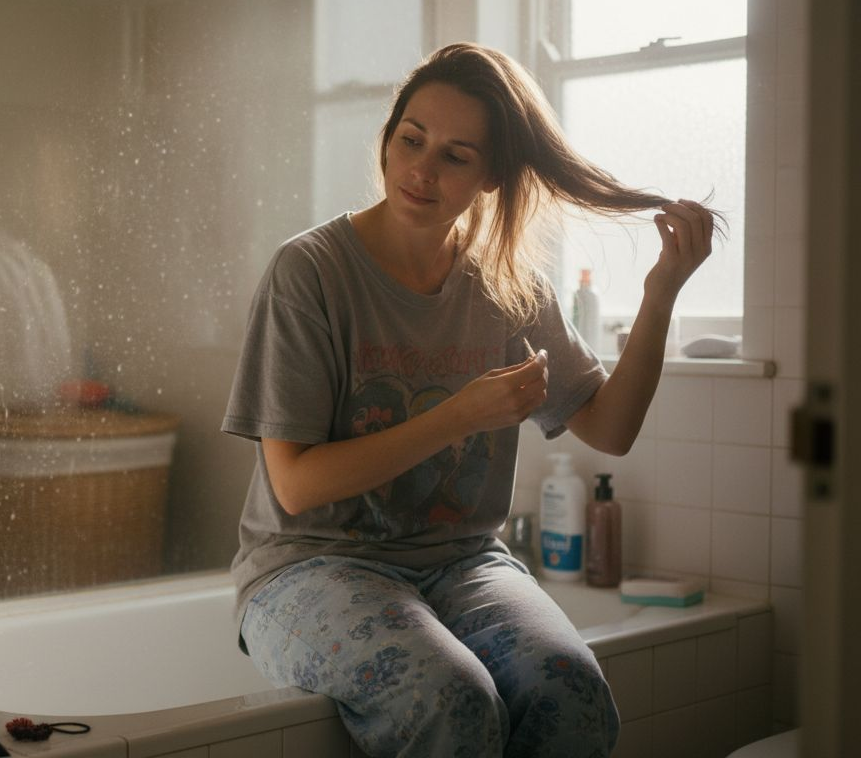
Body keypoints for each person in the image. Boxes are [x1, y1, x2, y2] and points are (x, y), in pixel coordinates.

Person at [222, 42, 717, 757]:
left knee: (570, 689)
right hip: (307, 567)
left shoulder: (507, 285)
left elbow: (610, 429)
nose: (421, 169)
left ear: (491, 176)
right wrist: (457, 416)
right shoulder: (311, 273)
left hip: (463, 564)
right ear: (388, 139)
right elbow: (297, 485)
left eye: (456, 156)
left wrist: (661, 292)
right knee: (448, 697)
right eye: (411, 139)